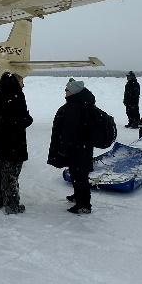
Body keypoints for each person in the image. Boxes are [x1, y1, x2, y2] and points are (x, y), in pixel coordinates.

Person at [0, 71, 33, 214]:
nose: (22, 85)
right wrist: (27, 119)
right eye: (20, 81)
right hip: (13, 142)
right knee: (11, 174)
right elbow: (21, 119)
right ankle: (12, 205)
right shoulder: (17, 96)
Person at [48, 78, 96, 214]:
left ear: (74, 92)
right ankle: (78, 197)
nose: (65, 91)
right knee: (78, 174)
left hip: (77, 148)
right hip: (82, 147)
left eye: (67, 90)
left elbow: (70, 131)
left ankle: (84, 204)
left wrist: (64, 148)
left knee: (79, 175)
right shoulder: (81, 103)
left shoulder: (75, 106)